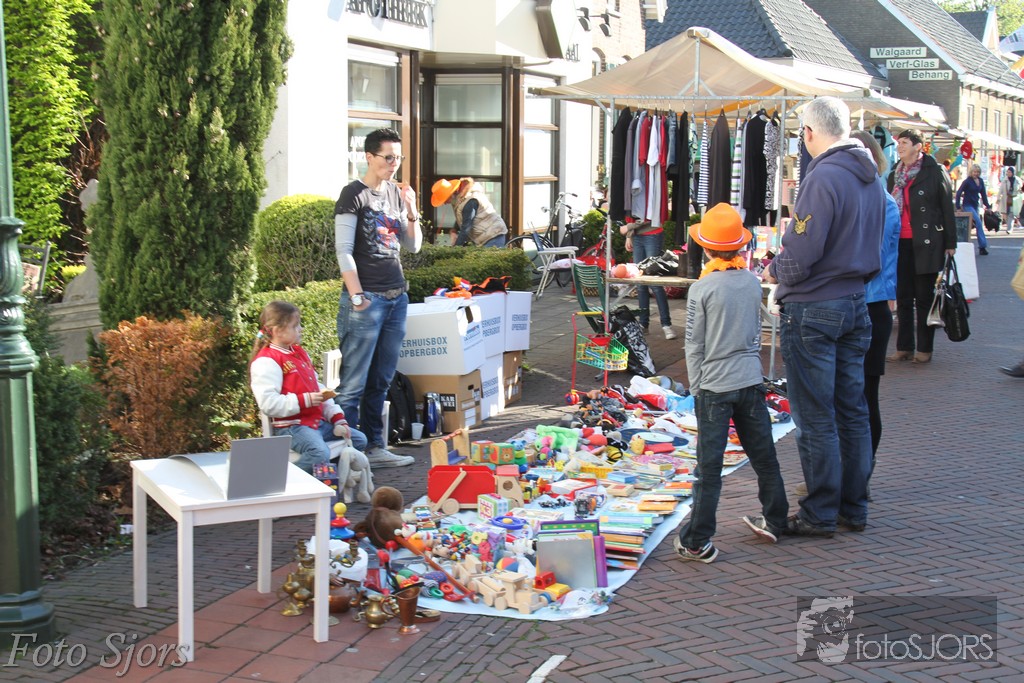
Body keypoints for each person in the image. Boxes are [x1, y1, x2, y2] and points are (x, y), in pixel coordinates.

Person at [763, 97, 884, 537]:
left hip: (815, 305)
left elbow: (802, 250)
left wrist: (775, 269)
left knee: (816, 416)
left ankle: (820, 513)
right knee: (852, 410)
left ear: (810, 133)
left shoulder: (823, 176)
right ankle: (854, 506)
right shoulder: (872, 177)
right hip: (855, 300)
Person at [673, 203, 788, 563]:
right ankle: (776, 518)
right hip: (749, 378)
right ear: (739, 245)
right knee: (764, 456)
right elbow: (755, 332)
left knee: (709, 468)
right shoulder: (751, 282)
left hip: (715, 385)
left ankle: (697, 540)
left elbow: (694, 343)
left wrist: (697, 387)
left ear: (706, 248)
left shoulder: (703, 288)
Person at [333, 128, 419, 469]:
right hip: (367, 299)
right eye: (388, 157)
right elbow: (343, 251)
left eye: (398, 157)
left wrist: (411, 210)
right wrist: (357, 296)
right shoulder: (353, 194)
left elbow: (413, 246)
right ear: (369, 157)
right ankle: (346, 454)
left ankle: (374, 448)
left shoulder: (396, 194)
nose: (394, 163)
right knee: (353, 383)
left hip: (396, 297)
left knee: (381, 379)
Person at [250, 300, 368, 474]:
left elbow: (316, 387)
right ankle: (284, 480)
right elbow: (269, 403)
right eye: (295, 326)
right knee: (319, 453)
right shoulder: (267, 361)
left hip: (315, 423)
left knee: (359, 440)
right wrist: (305, 400)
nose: (301, 329)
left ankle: (330, 478)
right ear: (277, 331)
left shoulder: (298, 352)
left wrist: (336, 417)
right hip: (291, 427)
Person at [850, 130, 900, 475]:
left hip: (870, 307)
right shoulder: (859, 200)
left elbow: (870, 259)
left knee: (866, 395)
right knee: (844, 396)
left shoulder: (883, 204)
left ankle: (861, 473)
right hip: (852, 304)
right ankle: (847, 473)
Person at [885, 129, 957, 365]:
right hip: (901, 241)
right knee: (903, 296)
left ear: (918, 146)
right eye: (899, 143)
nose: (900, 147)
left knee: (924, 297)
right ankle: (904, 347)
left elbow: (947, 207)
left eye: (904, 143)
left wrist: (950, 243)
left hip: (927, 242)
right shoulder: (895, 173)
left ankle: (925, 348)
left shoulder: (934, 171)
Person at [621, 221, 677, 339]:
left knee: (654, 283)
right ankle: (644, 324)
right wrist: (629, 235)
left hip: (652, 233)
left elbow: (649, 215)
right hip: (637, 235)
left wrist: (628, 228)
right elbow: (631, 216)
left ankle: (666, 324)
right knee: (640, 283)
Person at [431, 177, 508, 247]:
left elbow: (466, 227)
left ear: (451, 194)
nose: (445, 203)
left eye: (445, 199)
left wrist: (455, 248)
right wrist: (454, 230)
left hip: (493, 235)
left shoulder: (470, 200)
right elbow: (462, 217)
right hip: (486, 235)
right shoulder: (460, 198)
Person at [955, 164, 991, 255]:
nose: (976, 173)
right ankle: (982, 246)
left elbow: (983, 195)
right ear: (971, 172)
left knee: (974, 225)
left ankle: (966, 245)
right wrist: (958, 207)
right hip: (967, 205)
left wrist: (988, 206)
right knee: (978, 223)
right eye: (974, 172)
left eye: (978, 172)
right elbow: (959, 193)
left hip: (975, 205)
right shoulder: (967, 181)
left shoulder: (980, 181)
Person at [998, 166, 1019, 234]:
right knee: (1006, 214)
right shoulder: (1005, 180)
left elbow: (1020, 189)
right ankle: (1009, 225)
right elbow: (1000, 190)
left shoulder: (1017, 180)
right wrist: (998, 198)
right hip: (1006, 199)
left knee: (1011, 214)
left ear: (1013, 173)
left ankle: (1009, 229)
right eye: (1008, 172)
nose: (1008, 173)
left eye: (1010, 172)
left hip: (1014, 199)